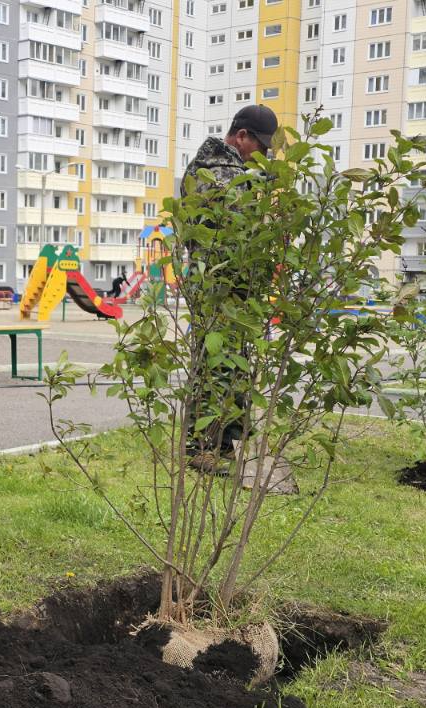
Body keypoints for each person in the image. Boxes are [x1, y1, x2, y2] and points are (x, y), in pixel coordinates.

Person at [178, 104, 278, 475]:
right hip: (216, 286)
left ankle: (230, 440)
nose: (263, 156)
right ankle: (202, 447)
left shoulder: (246, 174)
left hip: (240, 287)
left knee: (237, 365)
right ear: (241, 137)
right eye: (260, 148)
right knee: (213, 364)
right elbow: (212, 227)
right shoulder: (208, 171)